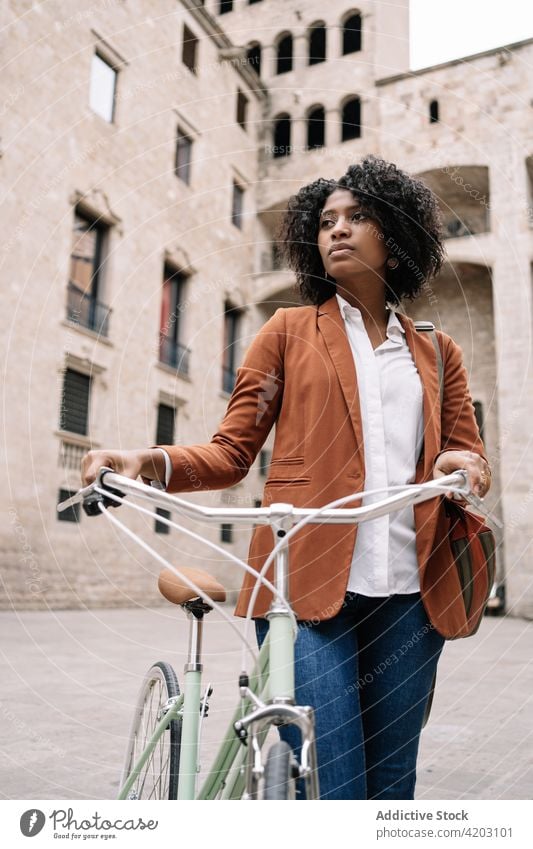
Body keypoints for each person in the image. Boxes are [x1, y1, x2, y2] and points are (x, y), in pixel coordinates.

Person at [81, 155, 492, 800]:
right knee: (334, 788)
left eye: (358, 217)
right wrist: (147, 463)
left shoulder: (439, 353)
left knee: (391, 789)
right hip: (303, 591)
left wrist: (461, 466)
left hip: (414, 598)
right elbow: (230, 452)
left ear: (397, 237)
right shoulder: (287, 332)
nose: (338, 229)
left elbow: (469, 457)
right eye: (327, 220)